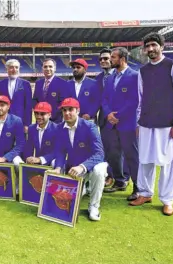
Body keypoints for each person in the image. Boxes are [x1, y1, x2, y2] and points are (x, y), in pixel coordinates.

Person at [129, 32, 173, 216]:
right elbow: (140, 99)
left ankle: (167, 200)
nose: (151, 49)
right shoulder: (143, 71)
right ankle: (145, 193)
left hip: (167, 125)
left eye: (154, 45)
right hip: (146, 123)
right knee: (145, 161)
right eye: (147, 46)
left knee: (168, 164)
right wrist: (138, 123)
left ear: (162, 46)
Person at [53, 97, 107, 221]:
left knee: (100, 169)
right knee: (71, 199)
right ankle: (86, 188)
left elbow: (99, 153)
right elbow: (60, 151)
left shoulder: (90, 126)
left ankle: (94, 206)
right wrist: (58, 167)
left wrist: (82, 166)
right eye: (64, 110)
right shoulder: (60, 128)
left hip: (90, 166)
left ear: (78, 110)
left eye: (70, 109)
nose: (67, 113)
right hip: (74, 170)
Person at [101, 47, 140, 201]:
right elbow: (104, 99)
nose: (110, 60)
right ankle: (119, 181)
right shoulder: (110, 78)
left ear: (122, 58)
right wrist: (108, 114)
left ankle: (138, 187)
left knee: (131, 156)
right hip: (111, 123)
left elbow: (134, 100)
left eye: (113, 57)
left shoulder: (135, 76)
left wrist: (118, 115)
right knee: (113, 154)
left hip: (127, 123)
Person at [0, 59, 32, 133]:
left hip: (20, 121)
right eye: (11, 67)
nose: (14, 70)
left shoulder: (25, 84)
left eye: (16, 67)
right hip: (3, 121)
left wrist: (27, 124)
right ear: (6, 69)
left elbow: (28, 106)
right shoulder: (0, 84)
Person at [95, 48, 116, 187]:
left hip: (118, 117)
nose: (103, 61)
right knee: (107, 149)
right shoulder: (98, 78)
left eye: (106, 58)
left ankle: (122, 177)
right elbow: (97, 99)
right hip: (103, 118)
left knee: (119, 150)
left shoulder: (118, 75)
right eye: (101, 59)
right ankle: (110, 175)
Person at [15, 102, 58, 167]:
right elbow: (29, 148)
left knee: (55, 162)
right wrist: (28, 158)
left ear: (49, 115)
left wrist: (40, 159)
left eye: (42, 114)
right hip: (37, 163)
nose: (38, 116)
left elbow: (58, 152)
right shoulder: (31, 128)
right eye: (36, 113)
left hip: (51, 162)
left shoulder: (57, 129)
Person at [32, 58, 68, 123]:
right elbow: (35, 100)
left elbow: (62, 103)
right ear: (42, 69)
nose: (48, 69)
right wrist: (39, 114)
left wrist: (48, 115)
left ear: (55, 68)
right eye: (45, 67)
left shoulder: (63, 83)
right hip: (40, 120)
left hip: (55, 121)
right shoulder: (38, 83)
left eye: (50, 66)